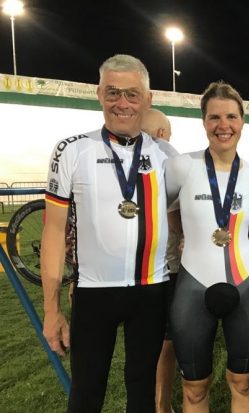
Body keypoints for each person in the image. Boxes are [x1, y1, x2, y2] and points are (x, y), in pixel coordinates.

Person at [40, 54, 179, 412]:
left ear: (147, 99)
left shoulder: (166, 155)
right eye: (113, 92)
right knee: (86, 394)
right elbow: (53, 233)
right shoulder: (72, 149)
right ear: (99, 93)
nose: (122, 103)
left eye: (132, 94)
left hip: (151, 291)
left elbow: (188, 214)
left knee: (142, 394)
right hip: (93, 292)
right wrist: (51, 310)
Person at [165, 81, 249, 413]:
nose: (223, 125)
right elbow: (161, 212)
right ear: (204, 122)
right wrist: (182, 233)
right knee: (194, 388)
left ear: (242, 121)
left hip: (246, 286)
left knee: (243, 382)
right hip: (193, 287)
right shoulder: (181, 166)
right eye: (214, 117)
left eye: (231, 117)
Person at [141, 108, 179, 413]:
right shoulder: (166, 153)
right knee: (166, 340)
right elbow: (176, 217)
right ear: (163, 132)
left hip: (131, 267)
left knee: (141, 339)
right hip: (166, 267)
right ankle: (161, 405)